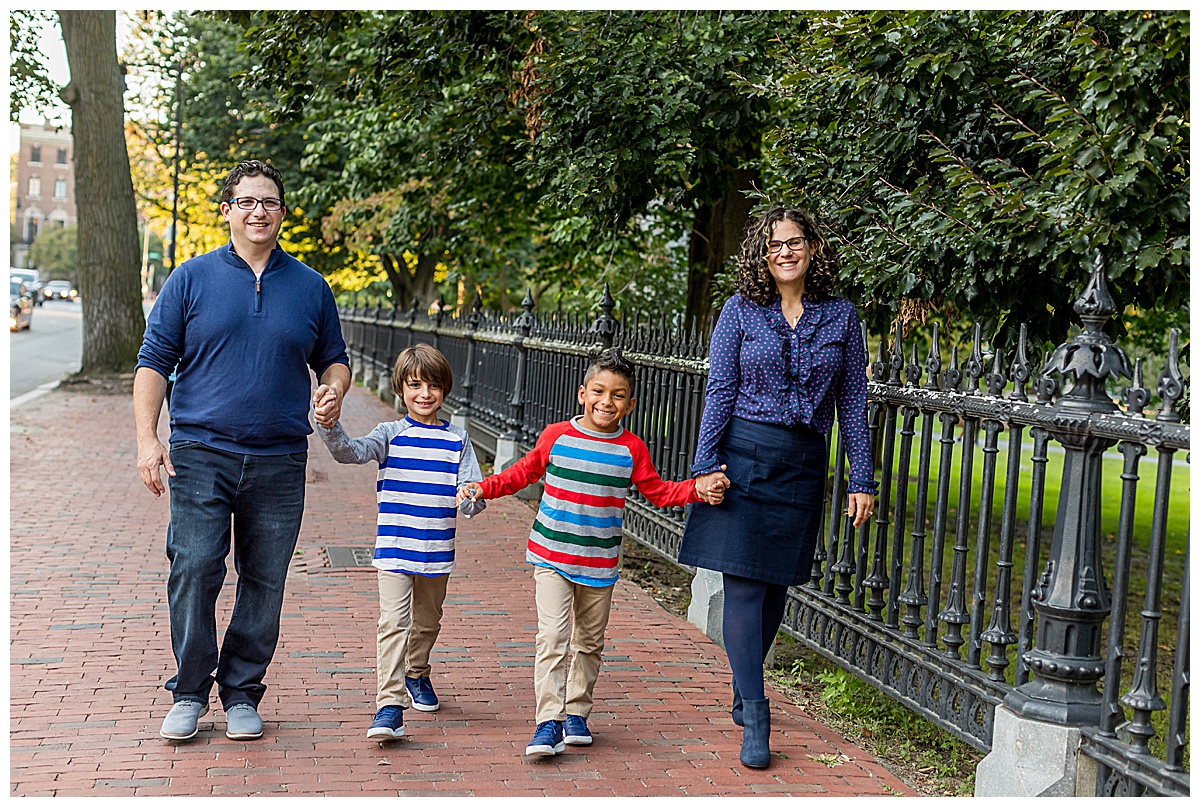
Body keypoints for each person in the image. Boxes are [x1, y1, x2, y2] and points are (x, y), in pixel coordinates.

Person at [134, 159, 351, 742]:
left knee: (265, 578)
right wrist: (146, 440)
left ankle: (241, 692)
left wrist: (332, 390)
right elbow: (153, 361)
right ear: (228, 210)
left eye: (271, 202)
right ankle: (188, 690)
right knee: (196, 567)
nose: (260, 211)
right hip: (201, 451)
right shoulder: (190, 279)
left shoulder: (310, 287)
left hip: (280, 458)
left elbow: (334, 358)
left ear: (282, 213)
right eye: (248, 201)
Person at [677, 205, 877, 769]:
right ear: (760, 256)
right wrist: (703, 469)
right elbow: (719, 391)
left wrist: (861, 477)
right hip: (743, 458)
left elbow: (853, 403)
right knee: (742, 586)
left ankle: (745, 683)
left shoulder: (841, 317)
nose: (784, 252)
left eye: (793, 242)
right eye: (773, 245)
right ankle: (757, 713)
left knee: (775, 588)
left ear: (812, 248)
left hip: (802, 464)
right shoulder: (740, 311)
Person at [457, 348, 726, 757]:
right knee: (552, 637)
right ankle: (548, 721)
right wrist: (484, 487)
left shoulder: (632, 449)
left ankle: (577, 713)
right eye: (598, 391)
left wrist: (697, 489)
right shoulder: (556, 436)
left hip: (600, 563)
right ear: (582, 393)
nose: (607, 401)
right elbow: (522, 474)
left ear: (630, 404)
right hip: (551, 555)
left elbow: (658, 492)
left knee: (589, 642)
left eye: (618, 395)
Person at [313, 343, 482, 740]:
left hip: (437, 551)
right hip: (393, 549)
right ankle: (389, 706)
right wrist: (329, 425)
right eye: (415, 385)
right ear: (401, 390)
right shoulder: (390, 434)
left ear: (445, 390)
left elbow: (473, 492)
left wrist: (471, 498)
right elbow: (350, 453)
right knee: (392, 623)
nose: (425, 394)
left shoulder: (458, 439)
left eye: (433, 386)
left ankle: (417, 672)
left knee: (427, 623)